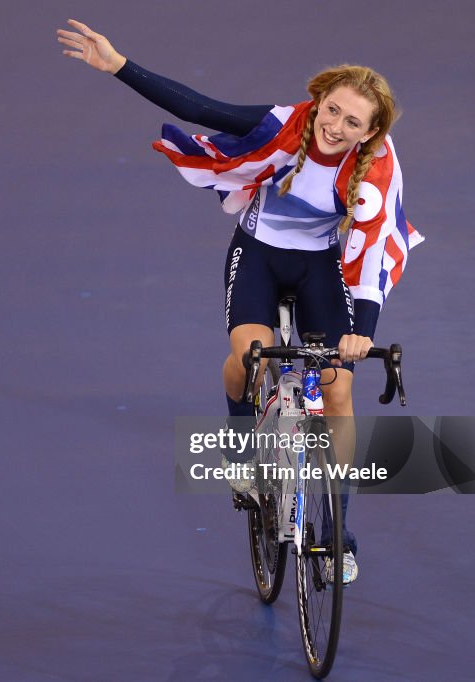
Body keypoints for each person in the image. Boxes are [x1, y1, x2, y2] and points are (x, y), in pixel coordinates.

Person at [57, 19, 421, 584]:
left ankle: (337, 533)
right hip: (259, 255)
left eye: (353, 122)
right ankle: (243, 453)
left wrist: (363, 331)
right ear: (317, 100)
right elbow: (203, 109)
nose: (336, 126)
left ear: (371, 130)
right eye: (331, 111)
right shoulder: (283, 123)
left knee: (339, 388)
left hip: (324, 267)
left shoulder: (377, 165)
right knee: (251, 356)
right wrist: (119, 65)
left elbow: (372, 256)